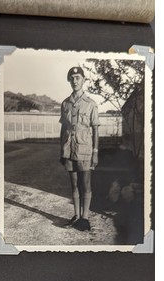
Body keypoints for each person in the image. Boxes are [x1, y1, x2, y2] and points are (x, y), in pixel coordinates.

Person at [59, 66, 100, 231]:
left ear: (84, 80)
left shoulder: (90, 104)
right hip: (69, 148)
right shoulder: (65, 104)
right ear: (69, 80)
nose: (75, 81)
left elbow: (96, 129)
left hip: (85, 149)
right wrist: (61, 150)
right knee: (74, 184)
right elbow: (63, 129)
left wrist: (96, 153)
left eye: (78, 77)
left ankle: (85, 218)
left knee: (86, 184)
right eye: (72, 78)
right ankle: (76, 216)